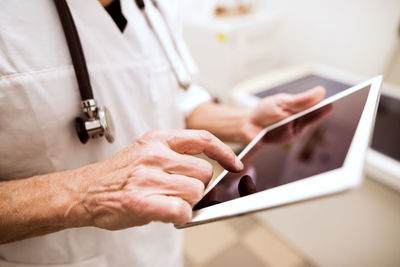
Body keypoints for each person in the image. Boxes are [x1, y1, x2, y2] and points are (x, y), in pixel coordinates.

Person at [0, 0, 325, 266]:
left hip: (161, 247)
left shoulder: (159, 7)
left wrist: (244, 122)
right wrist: (85, 194)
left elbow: (173, 96)